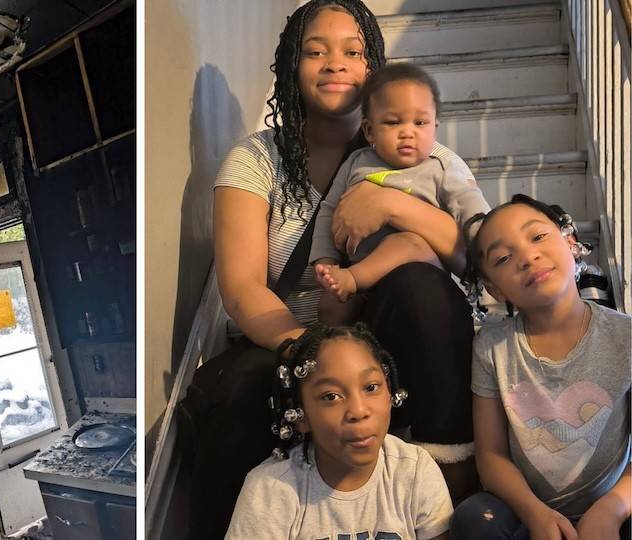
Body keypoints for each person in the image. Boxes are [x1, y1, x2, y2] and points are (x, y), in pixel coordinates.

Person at [209, 2, 478, 534]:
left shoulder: (417, 146)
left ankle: (450, 477)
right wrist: (306, 352)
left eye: (353, 52)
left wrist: (395, 206)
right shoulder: (256, 160)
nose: (335, 64)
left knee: (421, 285)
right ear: (291, 66)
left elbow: (473, 255)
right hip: (289, 337)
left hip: (388, 328)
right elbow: (241, 287)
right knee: (236, 390)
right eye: (315, 52)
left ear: (373, 69)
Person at [451, 194, 631, 539]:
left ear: (570, 242)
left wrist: (611, 511)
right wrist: (534, 513)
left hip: (615, 507)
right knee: (475, 517)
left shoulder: (626, 336)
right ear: (493, 288)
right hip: (527, 512)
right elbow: (491, 457)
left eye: (538, 237)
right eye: (504, 258)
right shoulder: (492, 348)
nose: (527, 257)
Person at [226, 324, 453, 540]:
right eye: (331, 396)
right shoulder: (270, 491)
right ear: (301, 415)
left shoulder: (414, 471)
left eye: (371, 387)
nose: (358, 411)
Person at [309, 63, 490, 311]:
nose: (407, 132)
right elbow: (329, 210)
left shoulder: (442, 170)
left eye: (420, 122)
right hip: (361, 275)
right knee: (329, 309)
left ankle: (355, 280)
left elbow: (471, 209)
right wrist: (326, 261)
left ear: (435, 128)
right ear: (369, 131)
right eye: (393, 122)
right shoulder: (356, 163)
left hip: (420, 275)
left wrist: (492, 241)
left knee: (407, 243)